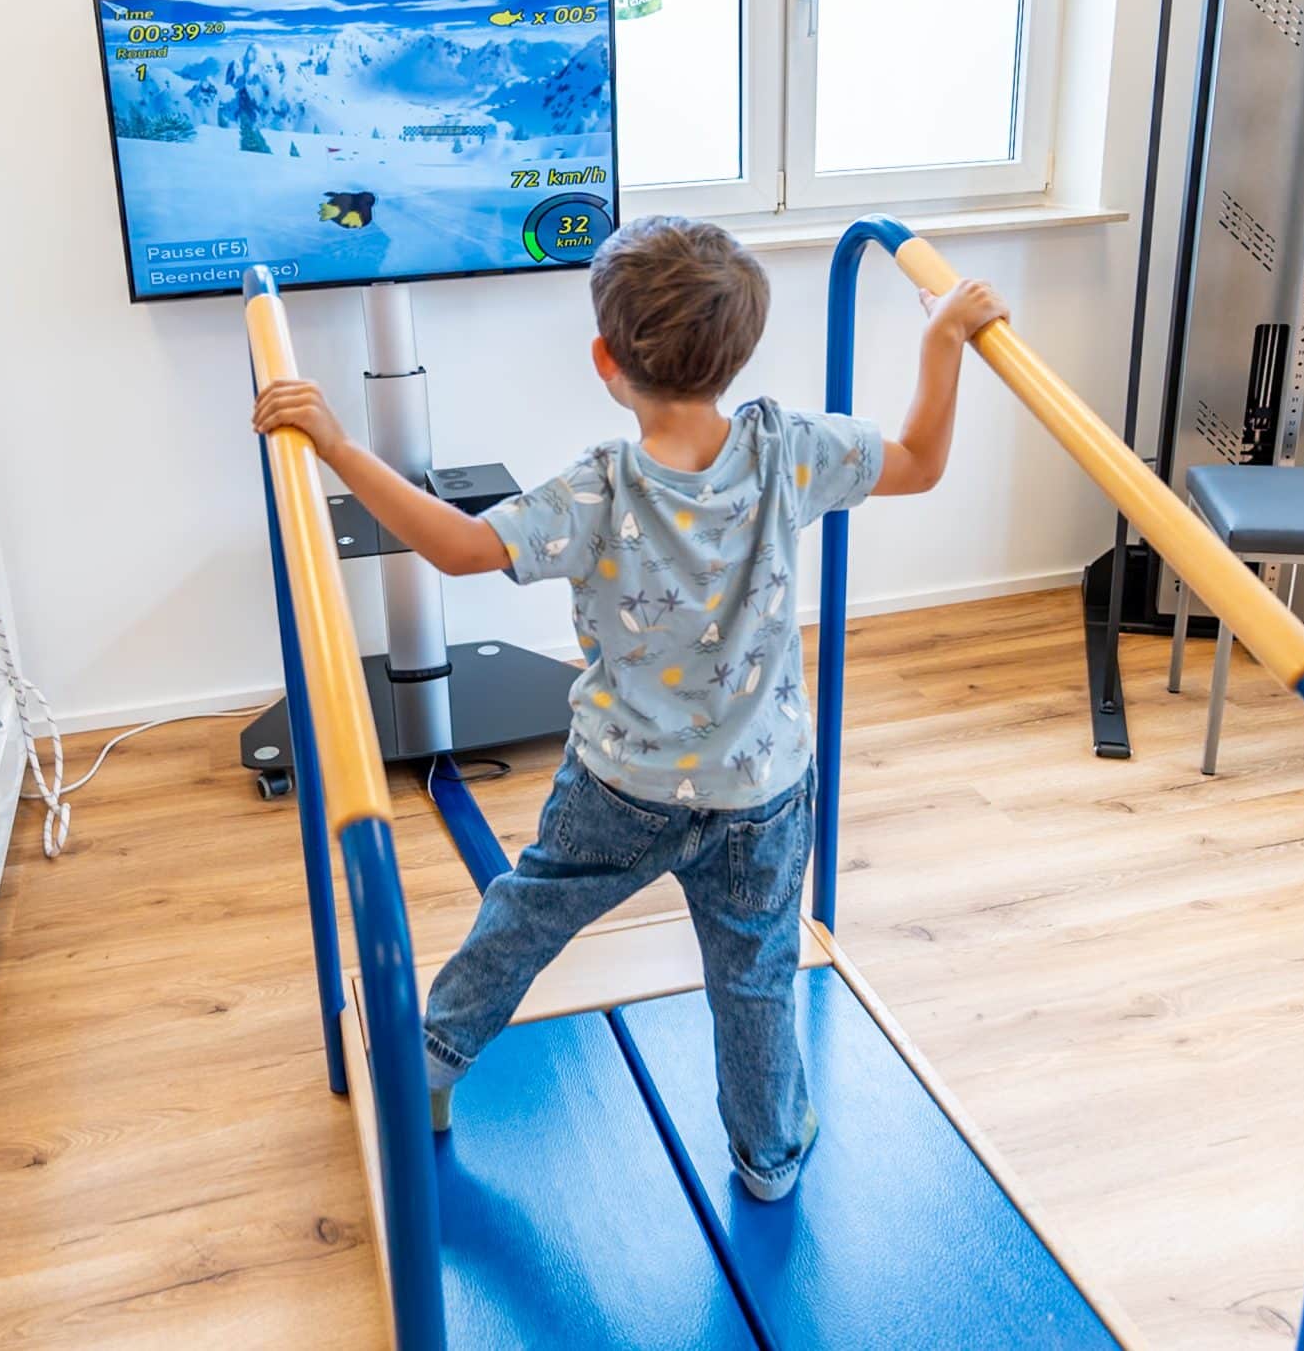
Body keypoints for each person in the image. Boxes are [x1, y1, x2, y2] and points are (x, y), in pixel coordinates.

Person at [251, 215, 1005, 1201]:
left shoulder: (598, 489)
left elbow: (457, 548)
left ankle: (432, 1062)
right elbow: (919, 460)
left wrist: (339, 446)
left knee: (525, 914)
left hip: (621, 785)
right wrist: (942, 337)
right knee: (754, 975)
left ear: (606, 361)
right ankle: (770, 1154)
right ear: (739, 354)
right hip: (759, 791)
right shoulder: (791, 449)